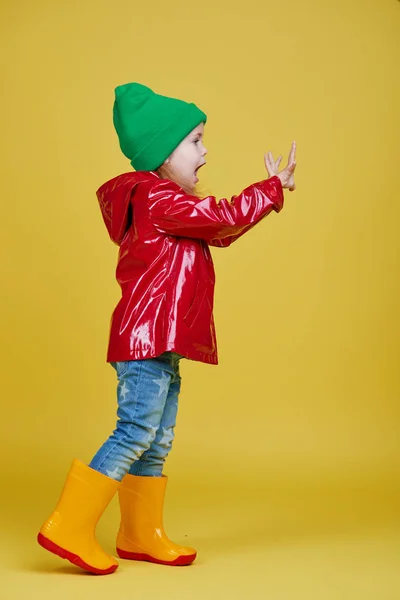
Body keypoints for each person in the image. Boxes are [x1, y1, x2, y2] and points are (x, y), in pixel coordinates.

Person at [37, 83, 297, 575]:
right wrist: (270, 190)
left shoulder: (166, 202)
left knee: (157, 437)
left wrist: (267, 197)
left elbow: (218, 230)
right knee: (135, 429)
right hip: (147, 337)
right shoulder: (157, 196)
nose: (205, 151)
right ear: (162, 151)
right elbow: (219, 216)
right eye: (195, 141)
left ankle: (139, 532)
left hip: (161, 340)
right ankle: (68, 525)